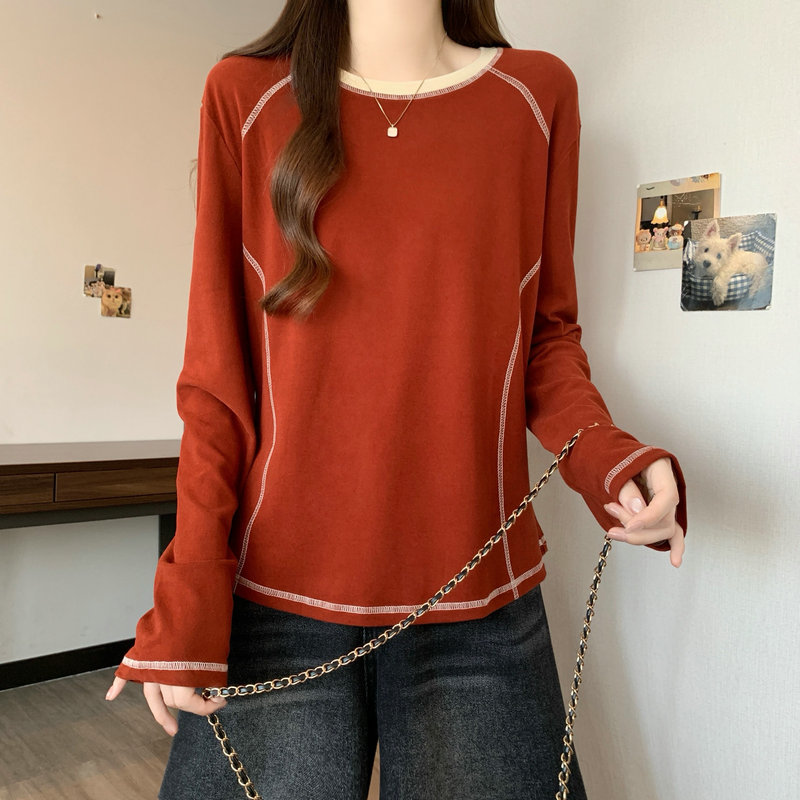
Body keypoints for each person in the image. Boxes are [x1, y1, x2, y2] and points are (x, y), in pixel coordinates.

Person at [106, 1, 688, 798]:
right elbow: (216, 382)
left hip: (479, 593)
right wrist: (189, 592)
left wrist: (612, 461)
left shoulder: (535, 95)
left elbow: (545, 339)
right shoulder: (243, 95)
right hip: (276, 597)